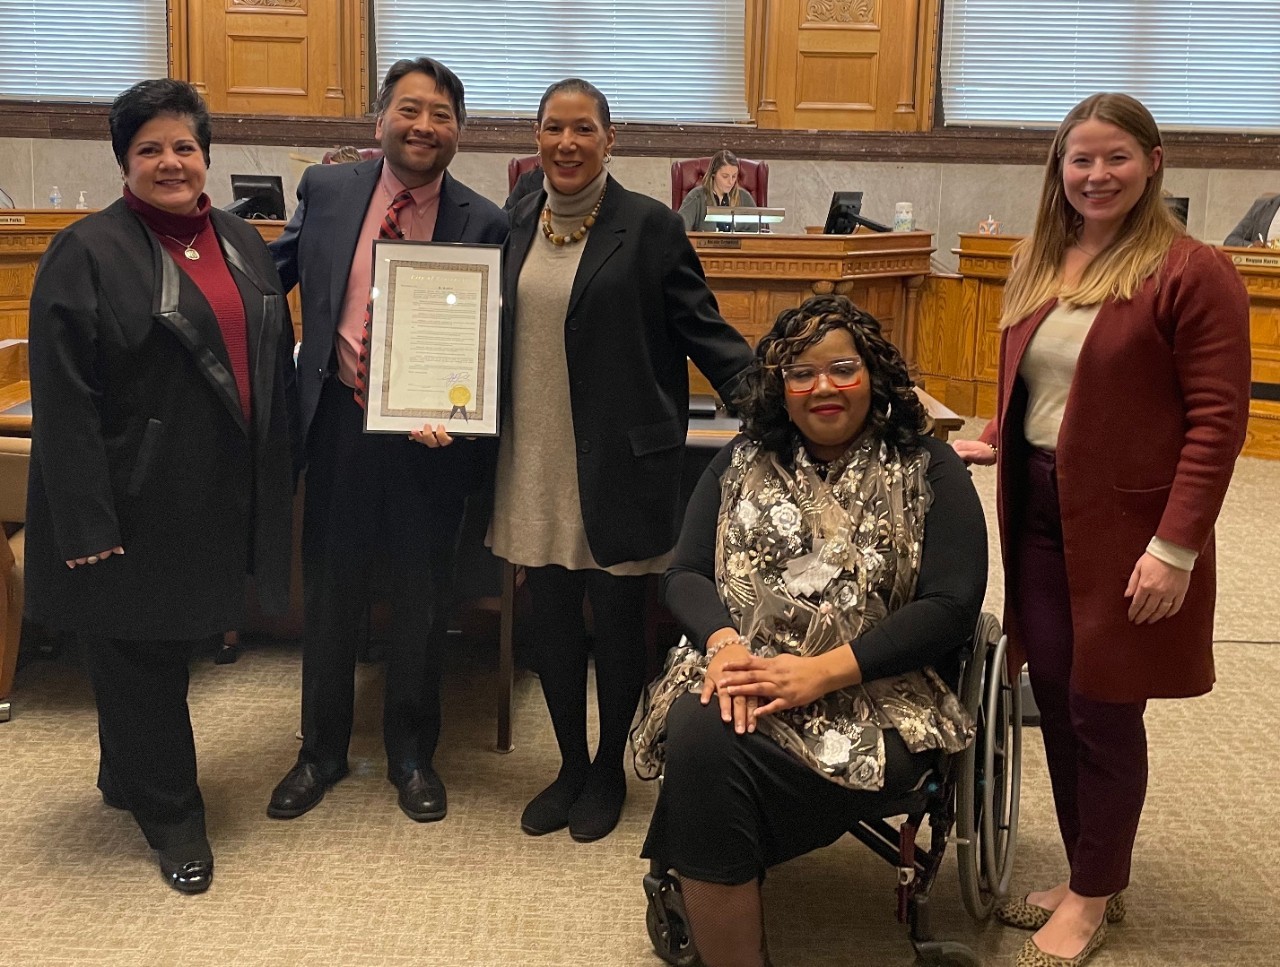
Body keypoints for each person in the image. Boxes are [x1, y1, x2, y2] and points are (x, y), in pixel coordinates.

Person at [953, 93, 1251, 967]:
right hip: (1039, 509)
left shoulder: (1193, 271)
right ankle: (1094, 868)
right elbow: (1047, 381)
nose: (1096, 175)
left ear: (1153, 162)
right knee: (1054, 693)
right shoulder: (1043, 259)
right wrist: (998, 433)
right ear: (1059, 168)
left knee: (1105, 705)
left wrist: (1176, 547)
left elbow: (1217, 422)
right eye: (1080, 159)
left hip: (1130, 526)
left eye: (1115, 156)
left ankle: (1092, 892)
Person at [632, 294, 987, 967]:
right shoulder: (739, 463)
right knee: (705, 725)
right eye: (801, 373)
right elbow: (684, 573)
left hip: (876, 695)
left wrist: (821, 672)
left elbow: (951, 605)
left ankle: (717, 874)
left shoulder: (930, 468)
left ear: (873, 374)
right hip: (745, 673)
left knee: (710, 759)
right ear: (781, 387)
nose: (823, 386)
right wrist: (726, 646)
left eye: (842, 368)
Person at [24, 78, 298, 894]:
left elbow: (268, 356)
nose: (170, 162)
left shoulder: (240, 239)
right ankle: (175, 815)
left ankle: (125, 773)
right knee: (140, 652)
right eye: (150, 149)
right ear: (124, 161)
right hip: (130, 495)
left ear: (206, 156)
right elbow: (63, 401)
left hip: (211, 489)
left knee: (155, 642)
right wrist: (84, 519)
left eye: (184, 146)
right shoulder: (85, 252)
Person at [492, 78, 755, 843]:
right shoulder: (514, 220)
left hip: (617, 460)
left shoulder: (649, 227)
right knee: (548, 618)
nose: (567, 142)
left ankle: (608, 766)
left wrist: (773, 405)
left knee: (615, 621)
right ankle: (569, 764)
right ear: (536, 137)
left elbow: (704, 331)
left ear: (610, 139)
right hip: (532, 456)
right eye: (553, 128)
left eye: (583, 128)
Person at [266, 57, 508, 825]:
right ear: (381, 120)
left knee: (421, 597)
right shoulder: (328, 190)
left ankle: (411, 754)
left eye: (441, 114)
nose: (424, 126)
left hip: (429, 438)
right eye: (410, 109)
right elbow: (271, 280)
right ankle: (320, 752)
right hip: (339, 419)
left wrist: (461, 413)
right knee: (330, 593)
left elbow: (490, 340)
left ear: (459, 132)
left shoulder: (486, 221)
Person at [677, 149, 757, 232]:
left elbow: (758, 232)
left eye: (734, 176)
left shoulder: (745, 197)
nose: (730, 182)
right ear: (713, 174)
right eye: (725, 176)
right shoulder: (696, 197)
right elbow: (679, 230)